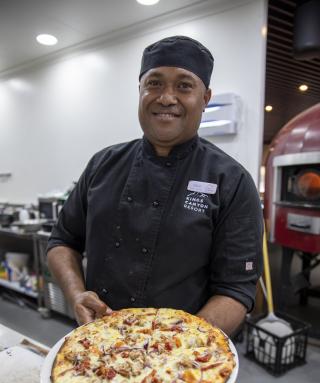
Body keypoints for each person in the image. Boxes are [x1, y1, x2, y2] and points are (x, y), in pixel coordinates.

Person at [47, 35, 263, 336]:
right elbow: (62, 241)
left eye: (184, 86)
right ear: (140, 91)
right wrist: (75, 294)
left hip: (182, 364)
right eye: (155, 83)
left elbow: (236, 289)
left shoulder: (232, 181)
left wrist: (179, 347)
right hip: (98, 342)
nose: (166, 97)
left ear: (205, 98)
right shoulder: (102, 164)